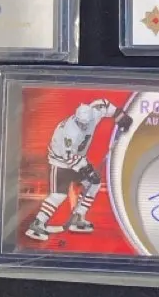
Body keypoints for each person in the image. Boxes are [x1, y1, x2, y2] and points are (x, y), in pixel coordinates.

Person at [25, 99, 132, 241]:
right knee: (58, 195)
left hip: (78, 158)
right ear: (76, 118)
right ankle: (37, 223)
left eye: (86, 123)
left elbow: (104, 104)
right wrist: (87, 170)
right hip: (60, 162)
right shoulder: (70, 132)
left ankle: (78, 217)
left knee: (93, 184)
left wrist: (120, 116)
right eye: (81, 123)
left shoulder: (93, 113)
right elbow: (68, 157)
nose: (84, 126)